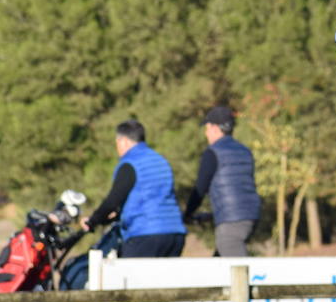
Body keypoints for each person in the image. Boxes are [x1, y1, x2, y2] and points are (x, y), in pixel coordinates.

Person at [78, 119, 188, 258]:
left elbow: (114, 200)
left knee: (129, 278)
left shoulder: (130, 164)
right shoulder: (160, 160)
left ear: (124, 141)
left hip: (145, 234)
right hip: (175, 234)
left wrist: (93, 220)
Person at [182, 106, 261, 256]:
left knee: (236, 271)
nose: (206, 133)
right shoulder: (245, 151)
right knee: (218, 268)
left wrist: (188, 213)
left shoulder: (213, 153)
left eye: (207, 128)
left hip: (232, 220)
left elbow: (200, 188)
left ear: (215, 128)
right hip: (251, 214)